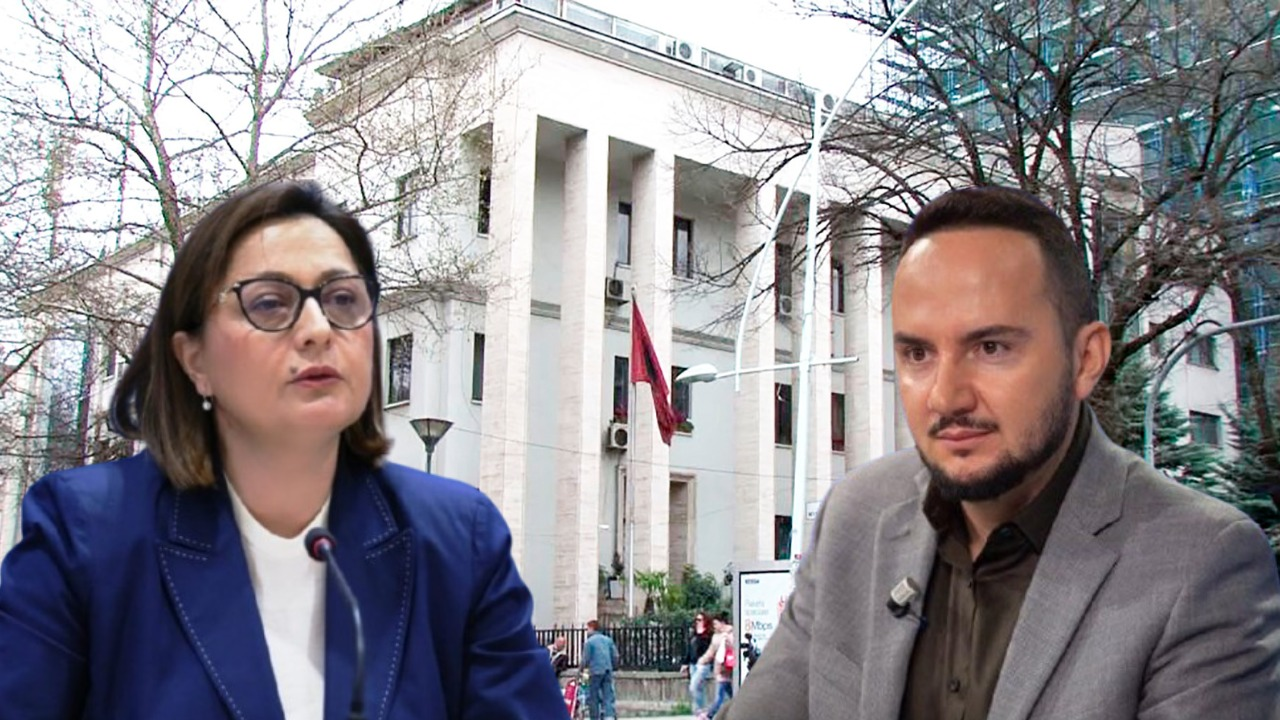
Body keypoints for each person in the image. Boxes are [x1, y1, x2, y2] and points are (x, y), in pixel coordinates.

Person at [0, 181, 567, 719]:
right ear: (195, 359)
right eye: (270, 303)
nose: (318, 328)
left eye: (343, 299)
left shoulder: (459, 541)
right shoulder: (85, 534)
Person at [721, 186, 1280, 719]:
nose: (946, 397)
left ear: (1085, 359)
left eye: (990, 348)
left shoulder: (1200, 563)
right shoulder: (857, 516)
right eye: (918, 354)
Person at [581, 619, 619, 720]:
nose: (587, 631)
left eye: (588, 629)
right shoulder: (608, 640)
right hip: (607, 670)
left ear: (592, 628)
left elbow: (585, 659)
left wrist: (580, 671)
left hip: (595, 671)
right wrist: (613, 666)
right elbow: (615, 656)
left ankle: (595, 717)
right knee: (608, 695)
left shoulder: (589, 642)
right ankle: (609, 716)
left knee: (593, 696)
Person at [699, 614, 735, 719]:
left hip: (730, 670)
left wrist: (728, 640)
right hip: (720, 671)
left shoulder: (733, 633)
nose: (714, 626)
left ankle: (709, 715)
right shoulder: (716, 637)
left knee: (720, 697)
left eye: (716, 623)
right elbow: (711, 652)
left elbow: (735, 648)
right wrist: (702, 660)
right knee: (730, 695)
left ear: (722, 623)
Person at [678, 611, 714, 715]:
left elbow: (709, 650)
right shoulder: (694, 633)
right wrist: (685, 663)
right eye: (696, 620)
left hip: (703, 664)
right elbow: (690, 649)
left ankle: (700, 709)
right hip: (693, 664)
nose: (697, 622)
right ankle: (700, 710)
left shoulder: (708, 635)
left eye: (700, 620)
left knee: (693, 686)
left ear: (705, 621)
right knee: (698, 688)